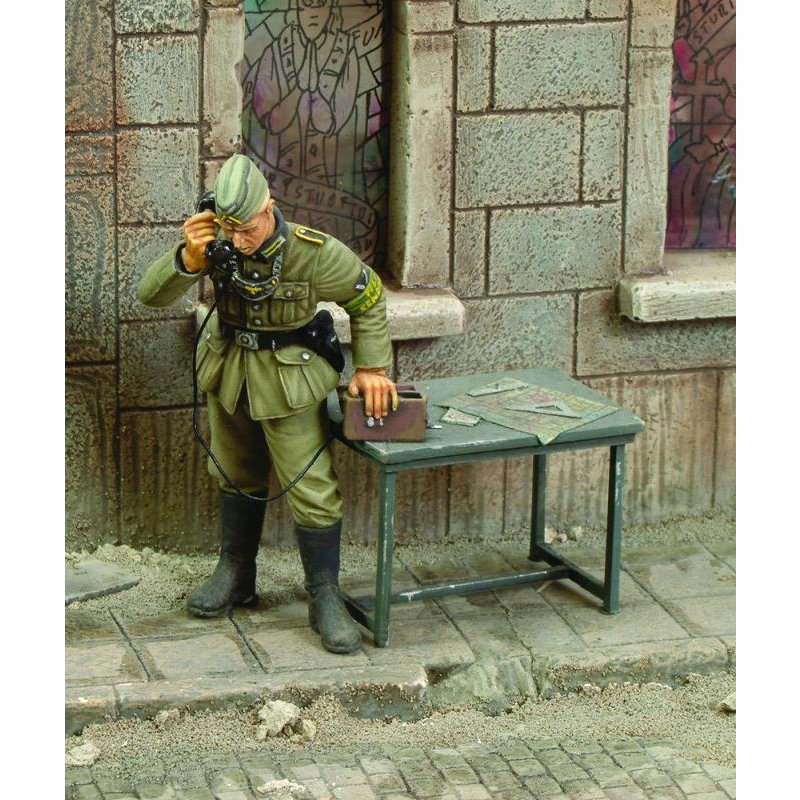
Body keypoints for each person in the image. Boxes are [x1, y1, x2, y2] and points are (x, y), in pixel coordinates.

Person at [137, 153, 397, 653]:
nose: (238, 240)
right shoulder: (215, 244)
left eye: (247, 227)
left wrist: (372, 367)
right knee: (234, 472)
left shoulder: (312, 252)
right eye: (228, 228)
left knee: (311, 485)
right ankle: (236, 572)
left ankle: (323, 593)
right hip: (229, 370)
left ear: (268, 206)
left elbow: (367, 294)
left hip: (289, 381)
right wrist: (189, 259)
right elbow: (150, 295)